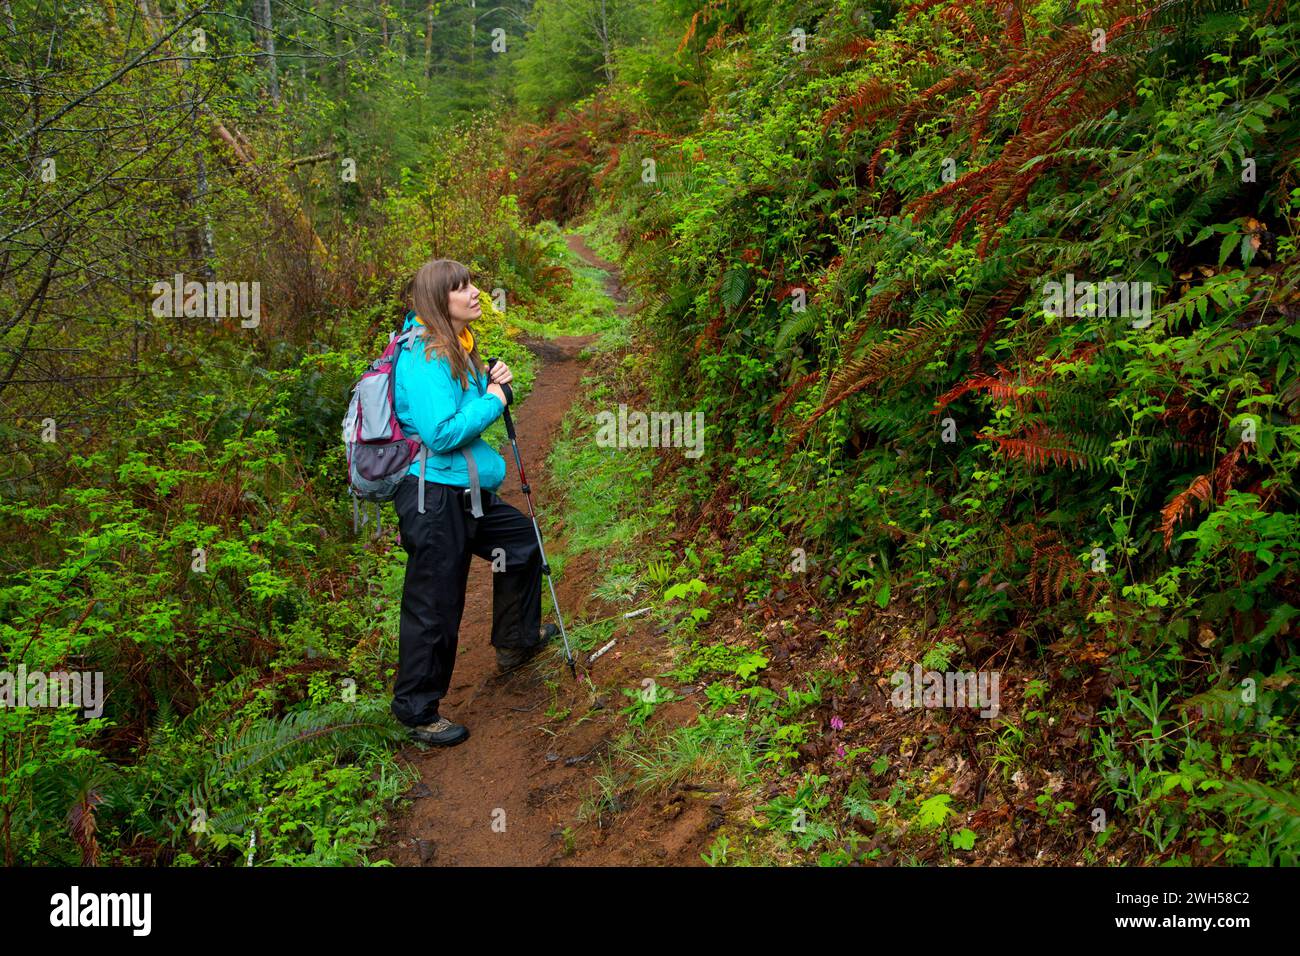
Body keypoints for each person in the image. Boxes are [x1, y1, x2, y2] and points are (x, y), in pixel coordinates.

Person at [389, 258, 558, 747]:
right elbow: (441, 434)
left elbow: (462, 410)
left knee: (523, 542)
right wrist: (496, 400)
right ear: (437, 301)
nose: (473, 292)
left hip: (467, 496)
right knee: (434, 605)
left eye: (471, 284)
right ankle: (418, 711)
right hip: (433, 499)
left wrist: (490, 383)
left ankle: (516, 642)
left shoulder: (458, 347)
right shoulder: (425, 356)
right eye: (459, 288)